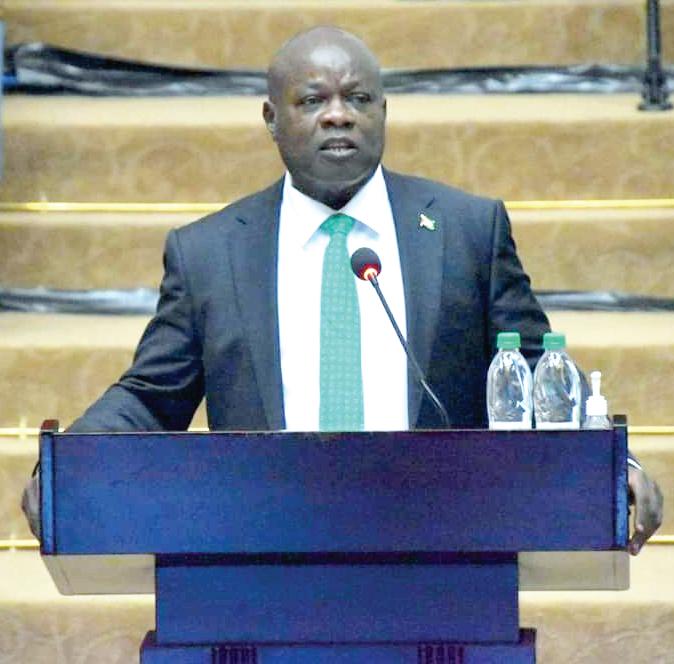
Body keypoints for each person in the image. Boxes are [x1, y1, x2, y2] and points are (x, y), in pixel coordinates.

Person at [22, 26, 662, 553]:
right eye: (312, 101)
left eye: (358, 98)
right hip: (263, 548)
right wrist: (65, 466)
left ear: (384, 113)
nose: (338, 114)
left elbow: (540, 375)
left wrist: (615, 466)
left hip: (443, 544)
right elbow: (151, 397)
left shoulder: (467, 229)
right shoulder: (210, 253)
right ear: (271, 119)